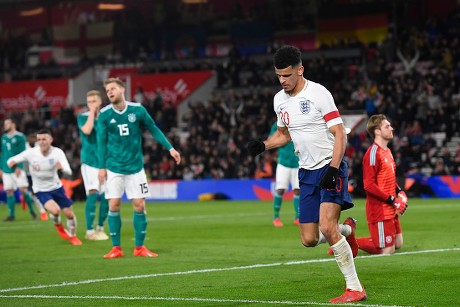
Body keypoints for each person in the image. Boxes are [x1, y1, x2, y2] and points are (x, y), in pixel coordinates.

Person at [246, 45, 366, 303]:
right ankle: (348, 231)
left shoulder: (319, 93)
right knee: (309, 239)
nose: (283, 81)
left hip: (329, 167)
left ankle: (355, 287)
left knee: (326, 226)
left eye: (287, 75)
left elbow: (340, 133)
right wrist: (263, 145)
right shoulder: (279, 100)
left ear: (300, 70)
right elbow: (283, 135)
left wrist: (334, 169)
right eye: (279, 75)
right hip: (306, 172)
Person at [97, 77, 181, 259]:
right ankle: (116, 248)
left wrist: (170, 148)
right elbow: (101, 142)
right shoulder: (104, 114)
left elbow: (153, 129)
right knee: (113, 204)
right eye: (107, 90)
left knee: (139, 205)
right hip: (114, 168)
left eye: (112, 89)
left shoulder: (137, 110)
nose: (109, 92)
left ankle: (139, 248)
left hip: (135, 168)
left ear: (122, 90)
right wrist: (101, 167)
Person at [7, 129, 82, 245]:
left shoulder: (57, 152)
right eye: (39, 139)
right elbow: (11, 160)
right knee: (55, 211)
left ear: (50, 140)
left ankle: (73, 236)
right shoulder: (31, 153)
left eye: (44, 139)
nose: (41, 142)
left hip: (57, 187)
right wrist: (12, 163)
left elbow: (69, 171)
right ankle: (59, 227)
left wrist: (62, 168)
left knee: (70, 214)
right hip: (41, 190)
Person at [356, 114, 408, 255]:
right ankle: (349, 242)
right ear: (377, 131)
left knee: (398, 243)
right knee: (386, 250)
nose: (391, 128)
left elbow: (389, 178)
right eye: (387, 126)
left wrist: (400, 191)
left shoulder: (388, 152)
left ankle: (357, 242)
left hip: (390, 206)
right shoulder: (373, 153)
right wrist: (393, 201)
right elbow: (369, 185)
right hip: (379, 209)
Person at [78, 90, 109, 241]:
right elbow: (87, 130)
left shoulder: (107, 117)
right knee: (92, 191)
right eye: (89, 101)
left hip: (105, 162)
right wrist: (92, 112)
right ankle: (89, 231)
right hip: (89, 162)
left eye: (94, 101)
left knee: (107, 195)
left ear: (100, 102)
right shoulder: (83, 117)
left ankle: (100, 228)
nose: (91, 104)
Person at [1, 118, 38, 221]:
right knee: (9, 190)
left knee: (23, 189)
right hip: (6, 169)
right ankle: (11, 214)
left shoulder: (20, 137)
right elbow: (2, 153)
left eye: (7, 123)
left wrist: (19, 166)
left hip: (17, 168)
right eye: (5, 124)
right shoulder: (3, 138)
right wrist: (1, 168)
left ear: (13, 124)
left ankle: (32, 211)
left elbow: (23, 154)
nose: (5, 126)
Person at [269, 121, 300, 227]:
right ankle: (276, 217)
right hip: (284, 162)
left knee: (298, 190)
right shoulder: (278, 124)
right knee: (280, 189)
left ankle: (297, 218)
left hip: (299, 162)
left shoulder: (299, 120)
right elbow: (271, 140)